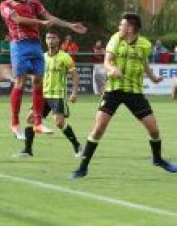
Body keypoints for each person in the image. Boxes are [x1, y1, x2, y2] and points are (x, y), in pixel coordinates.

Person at [71, 13, 177, 179]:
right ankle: (82, 168)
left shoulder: (145, 44)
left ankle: (157, 159)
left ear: (131, 28)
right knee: (99, 128)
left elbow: (143, 62)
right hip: (114, 90)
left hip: (134, 91)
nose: (119, 27)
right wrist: (111, 69)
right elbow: (107, 61)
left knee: (154, 129)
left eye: (122, 25)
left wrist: (153, 77)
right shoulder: (115, 39)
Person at [0, 0, 87, 140]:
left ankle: (38, 122)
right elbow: (17, 20)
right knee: (20, 82)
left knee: (38, 81)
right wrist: (39, 23)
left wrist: (70, 25)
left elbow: (49, 17)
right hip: (19, 45)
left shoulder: (33, 2)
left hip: (35, 44)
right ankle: (14, 123)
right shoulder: (5, 5)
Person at [15, 31, 82, 158]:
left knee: (59, 123)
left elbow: (74, 75)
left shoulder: (65, 57)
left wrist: (74, 92)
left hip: (57, 95)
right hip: (42, 95)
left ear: (58, 40)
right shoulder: (42, 57)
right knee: (30, 119)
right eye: (48, 38)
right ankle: (27, 150)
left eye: (53, 37)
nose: (50, 40)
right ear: (45, 40)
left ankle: (77, 146)